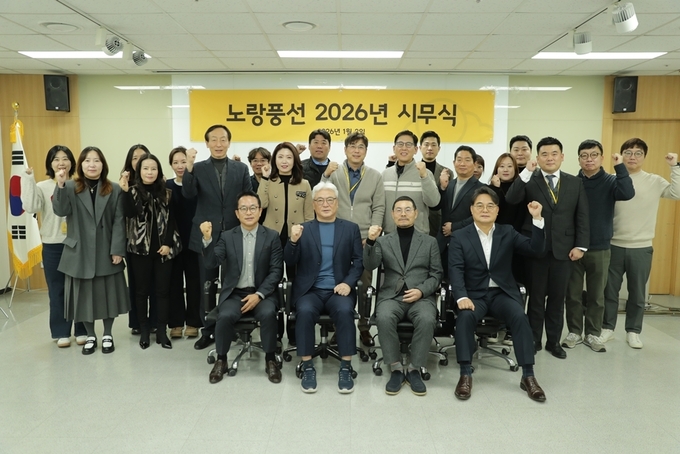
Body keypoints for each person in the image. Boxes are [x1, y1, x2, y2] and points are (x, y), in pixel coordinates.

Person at [449, 187, 547, 402]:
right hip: (474, 295)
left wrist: (537, 219)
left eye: (490, 206)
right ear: (471, 209)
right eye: (480, 205)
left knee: (520, 316)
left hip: (501, 293)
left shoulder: (507, 232)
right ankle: (465, 374)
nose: (485, 210)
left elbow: (536, 249)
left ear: (497, 210)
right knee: (465, 318)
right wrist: (461, 297)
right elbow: (455, 270)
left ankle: (528, 376)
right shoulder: (460, 236)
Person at [505, 137, 590, 359]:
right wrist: (526, 172)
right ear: (537, 157)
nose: (549, 158)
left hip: (565, 250)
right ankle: (534, 340)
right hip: (535, 248)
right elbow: (511, 198)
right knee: (535, 298)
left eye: (554, 154)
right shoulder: (529, 180)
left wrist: (581, 246)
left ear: (562, 156)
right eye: (544, 154)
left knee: (557, 299)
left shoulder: (575, 183)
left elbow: (582, 216)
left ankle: (554, 342)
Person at [284, 182, 363, 393]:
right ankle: (308, 366)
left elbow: (358, 262)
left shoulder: (350, 228)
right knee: (305, 311)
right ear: (313, 204)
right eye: (320, 200)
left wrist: (348, 283)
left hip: (339, 289)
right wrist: (293, 241)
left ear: (337, 203)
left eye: (330, 200)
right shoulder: (303, 229)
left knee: (345, 311)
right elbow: (289, 261)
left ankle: (345, 367)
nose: (325, 204)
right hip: (310, 290)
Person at [602, 139, 680, 349]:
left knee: (637, 294)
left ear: (644, 157)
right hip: (613, 245)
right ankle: (607, 328)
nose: (633, 157)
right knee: (609, 291)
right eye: (628, 152)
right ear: (621, 156)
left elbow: (677, 193)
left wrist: (674, 166)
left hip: (641, 247)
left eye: (638, 153)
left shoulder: (654, 180)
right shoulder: (612, 180)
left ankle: (633, 331)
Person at [53, 146, 129, 355]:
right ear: (81, 165)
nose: (92, 165)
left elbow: (119, 221)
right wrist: (60, 184)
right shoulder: (69, 186)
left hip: (106, 250)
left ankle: (107, 334)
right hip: (79, 251)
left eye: (96, 160)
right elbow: (60, 210)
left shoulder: (114, 189)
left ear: (103, 164)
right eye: (87, 161)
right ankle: (90, 335)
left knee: (107, 295)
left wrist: (117, 250)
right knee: (83, 297)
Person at [200, 191, 283, 384]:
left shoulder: (272, 236)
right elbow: (211, 263)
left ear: (260, 211)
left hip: (262, 293)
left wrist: (259, 294)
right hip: (235, 293)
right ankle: (221, 360)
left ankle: (270, 359)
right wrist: (207, 239)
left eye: (253, 208)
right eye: (243, 209)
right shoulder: (227, 236)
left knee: (268, 313)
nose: (248, 212)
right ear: (237, 213)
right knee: (225, 315)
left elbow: (276, 271)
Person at [363, 196, 442, 396]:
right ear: (392, 214)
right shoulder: (383, 241)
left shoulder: (430, 242)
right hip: (392, 296)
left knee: (427, 318)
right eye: (398, 210)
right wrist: (370, 241)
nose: (403, 214)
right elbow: (369, 265)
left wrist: (421, 291)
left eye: (408, 209)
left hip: (421, 297)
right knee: (384, 316)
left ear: (416, 213)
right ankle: (396, 368)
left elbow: (437, 274)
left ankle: (415, 369)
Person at [183, 125, 252, 350]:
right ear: (207, 143)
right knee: (207, 286)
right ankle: (208, 330)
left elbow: (248, 197)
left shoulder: (241, 168)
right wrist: (189, 166)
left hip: (234, 234)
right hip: (206, 234)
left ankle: (231, 327)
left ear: (229, 142)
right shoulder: (198, 168)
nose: (218, 144)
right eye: (214, 140)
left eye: (223, 139)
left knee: (233, 284)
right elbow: (188, 193)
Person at [562, 140, 634, 353]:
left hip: (600, 247)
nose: (589, 159)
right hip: (574, 248)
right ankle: (574, 331)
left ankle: (593, 333)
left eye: (594, 155)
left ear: (602, 158)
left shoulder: (611, 181)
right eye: (584, 155)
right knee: (573, 294)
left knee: (596, 295)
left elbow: (627, 193)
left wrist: (620, 166)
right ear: (579, 159)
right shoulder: (572, 182)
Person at [321, 132, 385, 347]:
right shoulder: (334, 173)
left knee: (364, 286)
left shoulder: (375, 176)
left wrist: (372, 236)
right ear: (345, 149)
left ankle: (364, 327)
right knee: (339, 283)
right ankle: (339, 327)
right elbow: (321, 196)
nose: (356, 150)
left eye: (361, 147)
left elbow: (379, 207)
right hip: (338, 238)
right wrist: (324, 175)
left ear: (366, 151)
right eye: (352, 146)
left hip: (365, 239)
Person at [21, 145, 87, 348]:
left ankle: (83, 330)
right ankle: (61, 332)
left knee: (80, 289)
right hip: (52, 244)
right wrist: (28, 180)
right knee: (57, 290)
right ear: (50, 164)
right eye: (56, 159)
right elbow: (31, 207)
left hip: (77, 243)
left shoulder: (80, 184)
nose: (61, 163)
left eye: (65, 158)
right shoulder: (42, 186)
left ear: (72, 163)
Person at [121, 153, 181, 349]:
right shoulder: (132, 191)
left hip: (163, 250)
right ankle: (144, 331)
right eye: (145, 168)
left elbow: (172, 220)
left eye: (153, 168)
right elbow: (129, 214)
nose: (149, 172)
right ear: (139, 171)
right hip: (140, 251)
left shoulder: (167, 192)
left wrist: (168, 244)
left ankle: (162, 332)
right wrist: (125, 191)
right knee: (141, 292)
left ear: (159, 171)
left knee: (162, 292)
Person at [487, 152, 525, 345]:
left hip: (515, 245)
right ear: (496, 169)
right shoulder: (490, 189)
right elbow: (494, 213)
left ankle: (511, 329)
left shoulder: (521, 188)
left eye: (509, 166)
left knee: (513, 287)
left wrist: (498, 189)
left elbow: (508, 209)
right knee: (495, 286)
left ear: (515, 169)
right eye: (502, 166)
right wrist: (495, 188)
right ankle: (494, 327)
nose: (505, 169)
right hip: (494, 245)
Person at [387, 131, 452, 237]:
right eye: (400, 144)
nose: (404, 148)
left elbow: (434, 202)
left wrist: (424, 177)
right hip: (389, 235)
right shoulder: (385, 174)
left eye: (409, 144)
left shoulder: (425, 173)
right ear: (394, 148)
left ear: (416, 149)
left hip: (419, 235)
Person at [166, 146, 201, 339]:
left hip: (194, 241)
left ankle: (194, 322)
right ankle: (176, 323)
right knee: (174, 283)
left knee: (194, 282)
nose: (180, 166)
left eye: (184, 162)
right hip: (172, 242)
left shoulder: (196, 184)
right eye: (176, 162)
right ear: (171, 165)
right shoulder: (166, 186)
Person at [120, 144, 156, 335]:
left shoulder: (156, 182)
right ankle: (137, 322)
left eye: (143, 157)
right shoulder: (125, 184)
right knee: (136, 285)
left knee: (155, 284)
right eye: (135, 158)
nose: (140, 161)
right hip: (133, 242)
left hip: (154, 243)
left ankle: (155, 321)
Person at [258, 142, 314, 260]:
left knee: (293, 267)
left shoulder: (304, 184)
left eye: (289, 157)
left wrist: (308, 237)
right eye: (280, 157)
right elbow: (261, 204)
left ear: (295, 160)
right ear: (274, 160)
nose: (284, 161)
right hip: (271, 235)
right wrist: (264, 177)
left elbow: (309, 215)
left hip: (296, 236)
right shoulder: (268, 181)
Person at [437, 145, 484, 273]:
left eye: (467, 160)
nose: (462, 163)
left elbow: (480, 216)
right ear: (454, 163)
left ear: (474, 164)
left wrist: (454, 227)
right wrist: (442, 188)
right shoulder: (448, 184)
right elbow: (437, 206)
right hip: (443, 244)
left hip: (467, 244)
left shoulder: (481, 189)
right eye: (459, 160)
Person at [246, 146, 271, 224]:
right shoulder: (247, 182)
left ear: (269, 162)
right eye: (255, 161)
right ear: (250, 163)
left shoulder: (275, 182)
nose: (259, 164)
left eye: (263, 160)